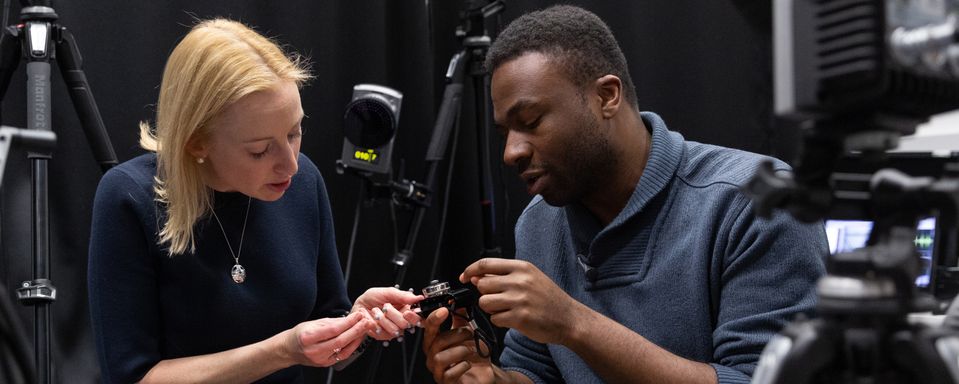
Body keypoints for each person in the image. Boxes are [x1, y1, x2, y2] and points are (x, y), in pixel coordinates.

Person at [422, 5, 826, 384]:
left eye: (530, 121)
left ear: (606, 97)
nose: (511, 152)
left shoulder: (754, 200)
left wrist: (574, 323)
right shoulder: (540, 221)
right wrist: (492, 378)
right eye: (505, 132)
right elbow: (536, 373)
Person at [87, 19, 422, 384]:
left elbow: (331, 335)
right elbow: (133, 378)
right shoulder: (128, 198)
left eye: (295, 132)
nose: (290, 164)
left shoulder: (303, 179)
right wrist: (281, 351)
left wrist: (357, 325)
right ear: (197, 143)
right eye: (260, 150)